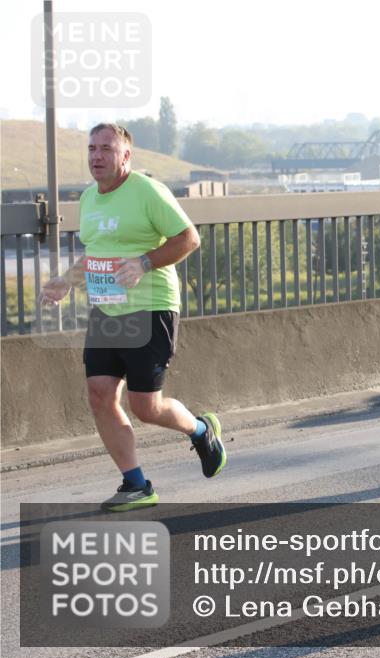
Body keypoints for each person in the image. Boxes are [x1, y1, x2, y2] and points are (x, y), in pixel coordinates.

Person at [40, 123, 226, 512]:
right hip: (107, 310)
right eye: (92, 148)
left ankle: (200, 429)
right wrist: (66, 281)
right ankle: (136, 483)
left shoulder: (146, 191)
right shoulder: (90, 198)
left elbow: (189, 238)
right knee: (100, 395)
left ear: (126, 156)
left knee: (146, 407)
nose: (97, 156)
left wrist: (144, 262)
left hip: (151, 307)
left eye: (107, 148)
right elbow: (96, 252)